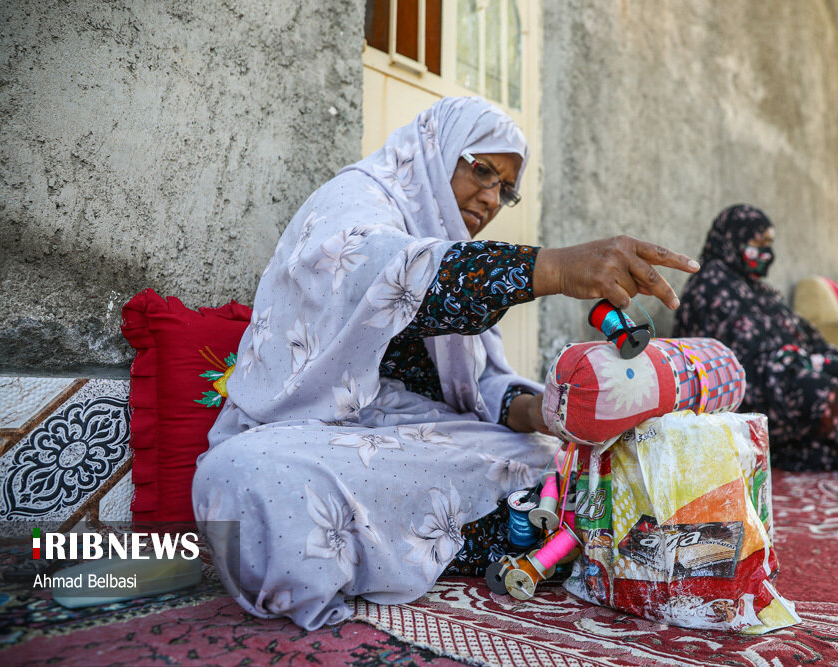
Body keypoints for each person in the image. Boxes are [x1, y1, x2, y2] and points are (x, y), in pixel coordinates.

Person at [192, 96, 699, 629]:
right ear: (436, 150)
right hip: (318, 433)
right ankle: (525, 532)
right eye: (483, 171)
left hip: (418, 438)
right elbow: (394, 275)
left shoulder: (449, 242)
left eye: (505, 189)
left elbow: (479, 386)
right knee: (244, 480)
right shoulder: (355, 202)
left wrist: (548, 412)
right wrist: (551, 268)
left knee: (562, 461)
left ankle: (533, 530)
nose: (490, 198)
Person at [672, 204, 838, 472]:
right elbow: (751, 366)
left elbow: (810, 343)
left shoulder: (759, 291)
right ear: (733, 239)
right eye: (759, 242)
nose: (767, 252)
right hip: (742, 394)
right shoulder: (711, 286)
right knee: (819, 392)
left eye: (770, 243)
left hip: (780, 379)